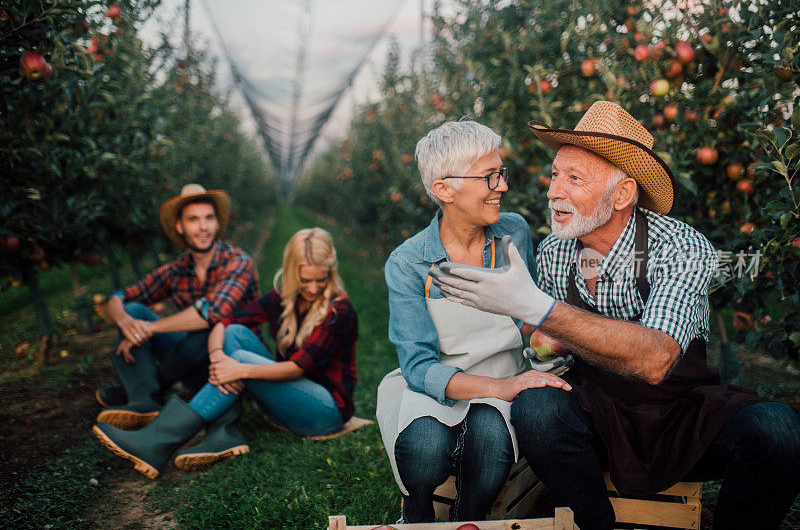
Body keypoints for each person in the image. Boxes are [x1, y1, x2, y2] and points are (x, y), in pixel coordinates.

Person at [430, 101, 800, 530]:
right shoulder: (554, 253)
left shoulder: (680, 247)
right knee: (538, 408)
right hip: (598, 415)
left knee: (779, 430)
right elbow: (555, 349)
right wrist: (540, 348)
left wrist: (537, 307)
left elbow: (656, 360)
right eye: (554, 175)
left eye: (574, 179)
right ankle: (594, 524)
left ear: (622, 194)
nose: (553, 191)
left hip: (680, 415)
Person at [376, 121, 571, 524]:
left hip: (503, 373)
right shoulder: (409, 263)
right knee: (424, 449)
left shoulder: (513, 232)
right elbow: (419, 366)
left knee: (489, 441)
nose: (502, 186)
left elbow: (525, 319)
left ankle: (468, 517)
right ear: (444, 188)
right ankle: (417, 509)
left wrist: (544, 337)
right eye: (489, 176)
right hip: (437, 380)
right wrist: (503, 387)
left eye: (502, 173)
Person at [92, 227, 358, 478]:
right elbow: (224, 321)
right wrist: (218, 357)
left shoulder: (340, 311)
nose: (312, 288)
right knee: (231, 334)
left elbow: (297, 369)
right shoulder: (283, 297)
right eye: (305, 280)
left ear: (330, 274)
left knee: (239, 359)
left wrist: (239, 369)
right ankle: (201, 431)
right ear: (291, 272)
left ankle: (157, 440)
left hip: (324, 413)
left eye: (320, 280)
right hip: (286, 404)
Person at [97, 183, 261, 463]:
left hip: (237, 362)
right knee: (135, 309)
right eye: (193, 219)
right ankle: (143, 402)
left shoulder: (237, 261)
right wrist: (126, 322)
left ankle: (162, 394)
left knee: (213, 328)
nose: (203, 227)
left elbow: (212, 311)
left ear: (218, 223)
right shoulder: (177, 269)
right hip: (196, 360)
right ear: (180, 227)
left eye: (209, 218)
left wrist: (148, 328)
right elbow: (118, 298)